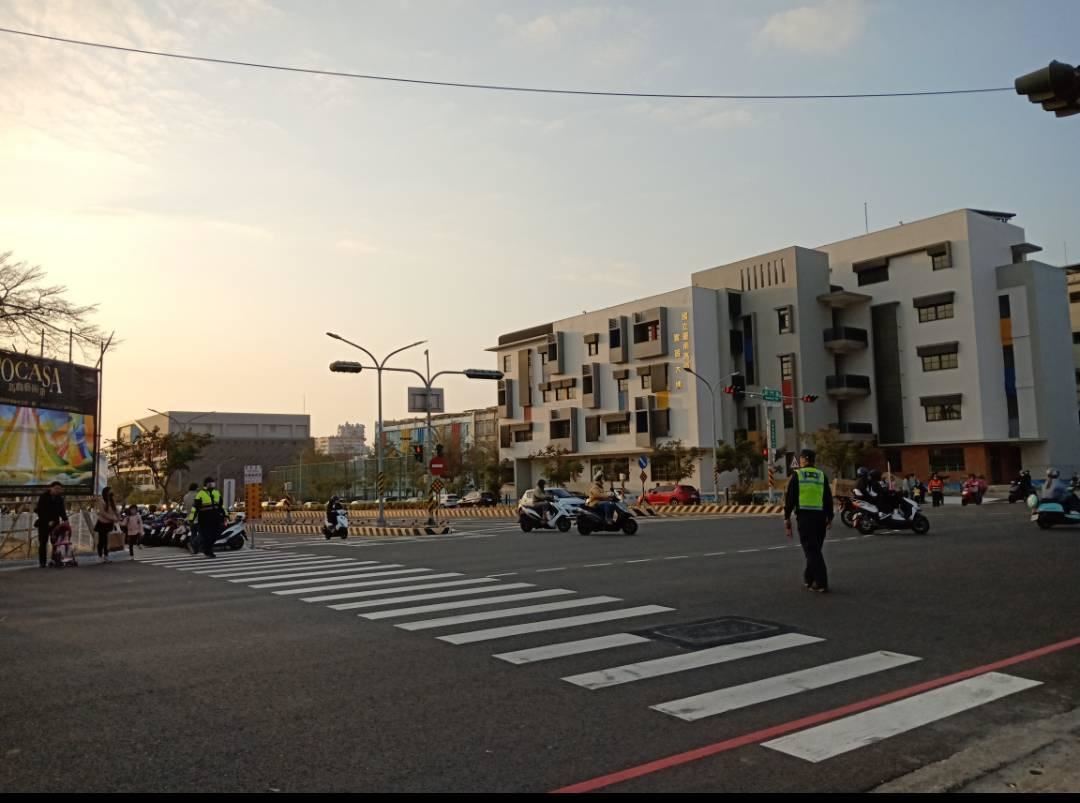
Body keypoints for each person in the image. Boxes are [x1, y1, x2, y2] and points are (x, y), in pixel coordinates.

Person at [784, 448, 834, 593]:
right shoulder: (821, 475)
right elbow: (828, 498)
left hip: (805, 517)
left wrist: (786, 518)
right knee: (815, 548)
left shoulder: (797, 475)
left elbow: (790, 499)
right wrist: (830, 517)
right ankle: (809, 578)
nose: (800, 460)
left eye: (801, 458)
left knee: (812, 550)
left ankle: (821, 582)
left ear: (805, 459)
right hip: (820, 517)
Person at [34, 481, 68, 569]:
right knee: (43, 542)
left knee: (55, 542)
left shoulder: (59, 498)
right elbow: (40, 510)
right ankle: (42, 562)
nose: (58, 490)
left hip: (55, 523)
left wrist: (65, 520)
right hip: (43, 523)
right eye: (56, 488)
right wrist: (47, 521)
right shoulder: (43, 496)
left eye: (59, 489)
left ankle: (54, 559)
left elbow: (62, 510)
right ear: (51, 488)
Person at [192, 476, 226, 558]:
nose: (212, 484)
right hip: (204, 519)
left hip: (216, 518)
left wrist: (226, 515)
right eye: (210, 483)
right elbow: (195, 508)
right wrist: (191, 518)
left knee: (216, 535)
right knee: (207, 536)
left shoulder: (217, 493)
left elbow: (221, 506)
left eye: (213, 483)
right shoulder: (200, 494)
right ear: (205, 484)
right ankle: (208, 550)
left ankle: (206, 549)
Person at [95, 487, 121, 563]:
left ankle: (106, 556)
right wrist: (113, 518)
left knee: (106, 541)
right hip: (102, 523)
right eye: (110, 492)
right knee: (101, 541)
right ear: (106, 492)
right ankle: (99, 556)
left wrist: (118, 517)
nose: (111, 493)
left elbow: (115, 510)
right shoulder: (101, 500)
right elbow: (102, 513)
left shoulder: (112, 501)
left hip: (109, 523)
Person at [182, 482, 200, 554]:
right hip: (197, 517)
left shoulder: (185, 496)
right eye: (198, 488)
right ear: (196, 488)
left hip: (190, 517)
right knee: (202, 533)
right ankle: (193, 544)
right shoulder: (197, 495)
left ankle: (195, 549)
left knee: (193, 533)